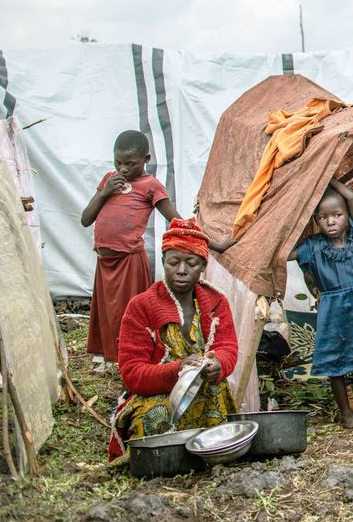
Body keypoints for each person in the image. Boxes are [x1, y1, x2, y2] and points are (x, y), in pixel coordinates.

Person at [106, 218, 238, 464]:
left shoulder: (215, 302)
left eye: (191, 263)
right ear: (164, 262)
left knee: (217, 393)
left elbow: (228, 347)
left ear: (202, 266)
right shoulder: (142, 306)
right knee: (155, 415)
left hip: (204, 391)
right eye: (173, 262)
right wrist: (177, 370)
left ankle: (211, 457)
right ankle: (164, 462)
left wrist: (218, 363)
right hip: (156, 393)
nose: (181, 270)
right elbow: (132, 373)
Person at [81, 130, 181, 374]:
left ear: (146, 159)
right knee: (106, 310)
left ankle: (131, 357)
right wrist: (105, 192)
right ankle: (108, 356)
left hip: (129, 260)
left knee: (129, 312)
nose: (123, 169)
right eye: (118, 163)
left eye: (130, 163)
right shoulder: (109, 181)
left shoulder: (150, 186)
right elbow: (86, 219)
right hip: (105, 260)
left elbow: (174, 219)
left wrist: (196, 233)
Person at [289, 181, 353, 428]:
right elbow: (285, 254)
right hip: (333, 311)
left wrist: (325, 177)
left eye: (337, 215)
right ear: (315, 220)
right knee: (337, 366)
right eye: (323, 217)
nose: (331, 221)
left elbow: (352, 196)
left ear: (346, 216)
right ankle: (346, 414)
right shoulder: (312, 246)